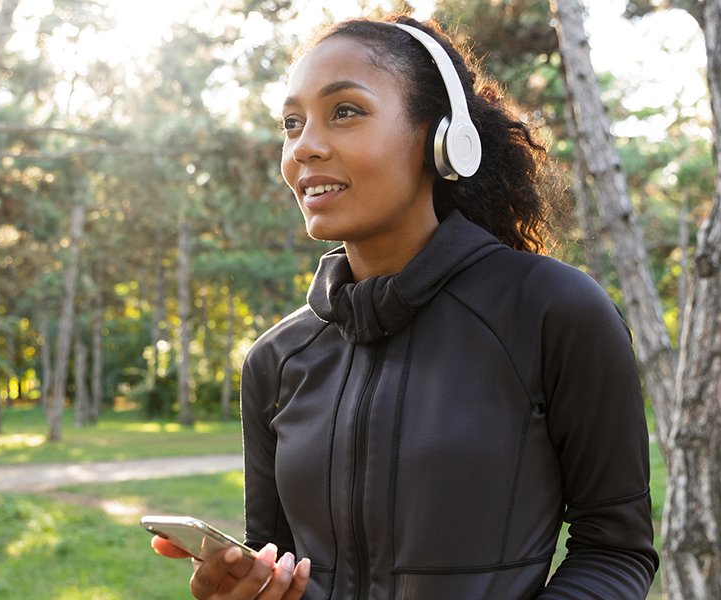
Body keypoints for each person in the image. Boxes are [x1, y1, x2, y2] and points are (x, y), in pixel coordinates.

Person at [150, 14, 659, 599]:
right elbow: (279, 561)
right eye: (292, 124)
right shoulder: (276, 359)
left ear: (442, 138)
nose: (305, 147)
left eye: (345, 111)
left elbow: (615, 551)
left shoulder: (553, 310)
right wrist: (246, 588)